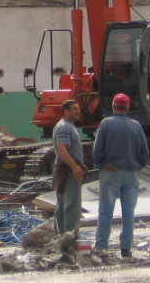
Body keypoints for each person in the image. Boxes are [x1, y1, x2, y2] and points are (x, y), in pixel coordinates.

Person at [92, 93, 149, 259]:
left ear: (113, 106)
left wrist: (101, 164)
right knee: (128, 213)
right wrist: (136, 166)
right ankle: (126, 249)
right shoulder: (136, 126)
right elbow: (144, 154)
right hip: (131, 174)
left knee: (106, 211)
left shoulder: (106, 124)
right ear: (128, 107)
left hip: (111, 173)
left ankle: (101, 247)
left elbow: (97, 151)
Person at [52, 99, 86, 236]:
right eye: (74, 109)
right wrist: (75, 167)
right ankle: (70, 239)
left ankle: (60, 237)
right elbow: (61, 148)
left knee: (61, 206)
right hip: (68, 172)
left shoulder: (67, 126)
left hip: (64, 171)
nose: (77, 111)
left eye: (78, 108)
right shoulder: (65, 127)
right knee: (71, 206)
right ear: (65, 111)